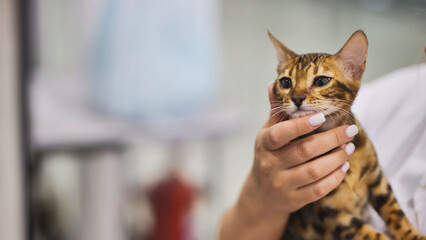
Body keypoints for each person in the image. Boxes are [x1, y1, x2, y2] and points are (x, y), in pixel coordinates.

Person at [218, 62, 426, 239]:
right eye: (287, 83)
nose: (298, 96)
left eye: (319, 81)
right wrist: (260, 197)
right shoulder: (383, 98)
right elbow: (230, 234)